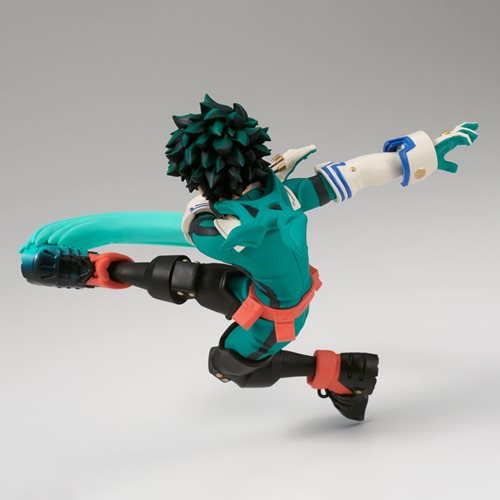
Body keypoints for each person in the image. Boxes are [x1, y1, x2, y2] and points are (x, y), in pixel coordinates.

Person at [20, 95, 479, 421]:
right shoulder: (289, 195)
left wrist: (70, 236)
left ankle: (343, 373)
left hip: (279, 316)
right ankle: (98, 271)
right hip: (261, 289)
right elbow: (356, 173)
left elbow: (140, 225)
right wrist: (422, 156)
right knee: (195, 281)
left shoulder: (220, 232)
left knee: (229, 367)